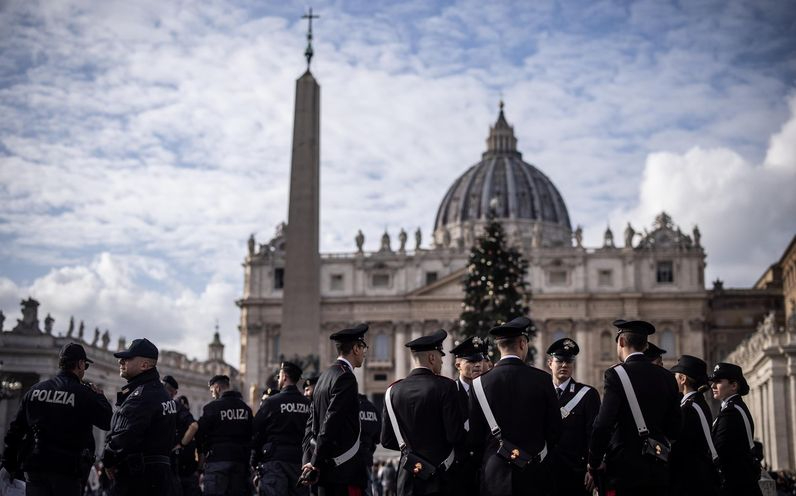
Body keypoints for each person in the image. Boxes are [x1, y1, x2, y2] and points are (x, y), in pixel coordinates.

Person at [1, 343, 112, 496]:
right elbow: (107, 421)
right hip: (67, 469)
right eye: (85, 365)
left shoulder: (35, 390)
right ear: (80, 364)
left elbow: (15, 431)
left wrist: (8, 464)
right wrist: (100, 397)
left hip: (35, 468)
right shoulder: (83, 394)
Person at [469, 317, 562, 496]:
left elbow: (475, 437)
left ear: (498, 346)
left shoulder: (479, 383)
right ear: (522, 343)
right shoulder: (542, 379)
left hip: (494, 475)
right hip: (533, 470)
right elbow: (555, 431)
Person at [588, 320, 681, 496]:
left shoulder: (615, 374)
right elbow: (675, 428)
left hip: (624, 470)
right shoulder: (668, 377)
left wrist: (594, 461)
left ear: (621, 342)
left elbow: (603, 425)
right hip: (659, 467)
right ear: (645, 345)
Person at [381, 329, 465, 495]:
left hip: (407, 476)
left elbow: (386, 440)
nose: (442, 363)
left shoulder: (393, 390)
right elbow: (454, 435)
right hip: (439, 475)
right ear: (432, 358)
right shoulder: (446, 387)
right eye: (441, 357)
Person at [102, 338, 177, 495]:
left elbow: (125, 435)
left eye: (127, 358)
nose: (121, 361)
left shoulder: (140, 396)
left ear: (144, 365)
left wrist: (108, 459)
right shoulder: (162, 393)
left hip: (138, 479)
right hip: (160, 476)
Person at [302, 324, 370, 496]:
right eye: (363, 348)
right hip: (343, 472)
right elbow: (331, 421)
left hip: (325, 470)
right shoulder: (346, 377)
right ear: (355, 348)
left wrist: (310, 460)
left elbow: (311, 424)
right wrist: (315, 461)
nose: (365, 353)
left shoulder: (324, 376)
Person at [545, 338, 601, 496]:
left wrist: (592, 466)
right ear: (550, 363)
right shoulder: (541, 393)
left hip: (575, 472)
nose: (564, 365)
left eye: (569, 361)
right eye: (560, 360)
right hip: (545, 471)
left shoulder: (587, 394)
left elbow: (593, 434)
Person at [251, 361, 311, 496]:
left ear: (284, 376)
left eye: (279, 376)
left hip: (275, 462)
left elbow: (256, 429)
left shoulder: (271, 402)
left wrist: (255, 459)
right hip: (300, 462)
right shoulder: (308, 404)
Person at [669, 355, 720, 496]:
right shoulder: (696, 403)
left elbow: (681, 447)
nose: (673, 379)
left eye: (676, 376)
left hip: (691, 480)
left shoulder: (689, 408)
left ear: (683, 379)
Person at [710, 362, 763, 496]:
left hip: (735, 485)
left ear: (733, 385)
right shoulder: (733, 407)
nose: (713, 386)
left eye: (718, 381)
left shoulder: (731, 412)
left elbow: (718, 448)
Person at [195, 374, 253, 496]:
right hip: (240, 461)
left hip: (217, 461)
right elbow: (251, 434)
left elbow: (199, 432)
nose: (212, 394)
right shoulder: (246, 409)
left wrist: (202, 453)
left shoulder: (211, 408)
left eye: (212, 391)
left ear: (217, 388)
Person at [448, 336, 485, 496]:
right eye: (470, 361)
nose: (477, 365)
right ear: (458, 364)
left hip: (484, 467)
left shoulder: (488, 390)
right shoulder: (448, 393)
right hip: (457, 468)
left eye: (479, 361)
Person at [162, 375, 201, 496]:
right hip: (174, 462)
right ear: (174, 392)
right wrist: (181, 444)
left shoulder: (151, 404)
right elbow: (194, 426)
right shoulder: (176, 407)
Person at [359, 394, 381, 496]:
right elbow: (378, 438)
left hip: (348, 457)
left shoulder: (351, 406)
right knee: (367, 489)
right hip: (367, 455)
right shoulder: (374, 409)